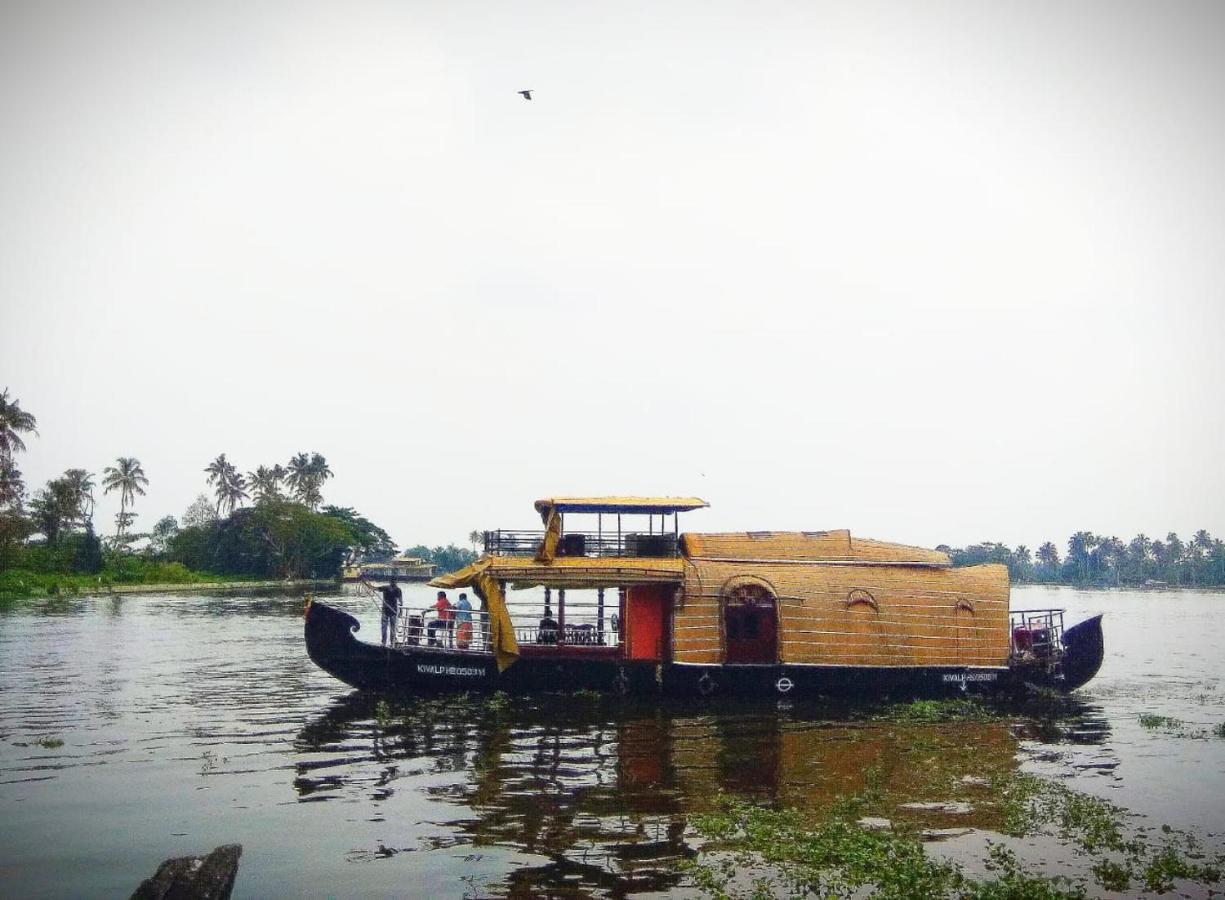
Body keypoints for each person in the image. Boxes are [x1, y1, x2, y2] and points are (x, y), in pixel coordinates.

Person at [362, 576, 402, 646]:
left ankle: (388, 643)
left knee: (391, 629)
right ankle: (386, 643)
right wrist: (365, 583)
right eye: (393, 581)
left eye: (394, 581)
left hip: (392, 611)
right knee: (387, 628)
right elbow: (373, 588)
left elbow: (401, 601)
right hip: (388, 611)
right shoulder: (389, 588)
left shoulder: (395, 589)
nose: (393, 583)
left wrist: (400, 612)